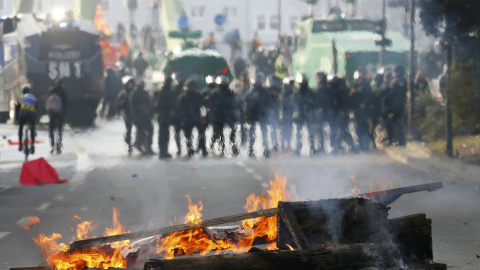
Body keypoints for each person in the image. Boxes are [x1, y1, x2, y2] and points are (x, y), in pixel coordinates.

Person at [208, 75, 239, 156]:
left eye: (224, 81)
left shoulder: (230, 92)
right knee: (218, 133)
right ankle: (220, 147)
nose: (223, 83)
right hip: (218, 116)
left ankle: (234, 148)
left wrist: (235, 111)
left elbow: (234, 103)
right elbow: (211, 104)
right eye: (222, 81)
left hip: (228, 115)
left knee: (233, 132)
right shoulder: (214, 92)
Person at [245, 74, 271, 158]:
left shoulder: (264, 91)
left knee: (264, 133)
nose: (258, 83)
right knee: (252, 133)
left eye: (259, 81)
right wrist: (247, 114)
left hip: (262, 114)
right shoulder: (250, 91)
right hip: (253, 115)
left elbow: (268, 103)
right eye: (257, 81)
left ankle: (266, 149)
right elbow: (247, 104)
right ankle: (251, 149)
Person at [176, 79, 203, 158]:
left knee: (200, 134)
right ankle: (190, 149)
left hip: (195, 117)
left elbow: (201, 106)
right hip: (187, 118)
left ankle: (200, 148)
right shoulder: (183, 96)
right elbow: (179, 108)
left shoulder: (197, 95)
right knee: (188, 136)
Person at [383, 65, 407, 146]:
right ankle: (397, 139)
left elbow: (393, 91)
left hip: (397, 104)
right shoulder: (401, 79)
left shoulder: (399, 80)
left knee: (395, 122)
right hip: (398, 104)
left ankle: (400, 140)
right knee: (395, 122)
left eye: (397, 71)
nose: (396, 73)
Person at [130, 78, 154, 155]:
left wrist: (150, 114)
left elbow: (148, 104)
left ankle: (148, 147)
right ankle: (139, 147)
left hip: (145, 116)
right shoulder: (135, 93)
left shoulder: (145, 93)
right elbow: (132, 106)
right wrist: (134, 116)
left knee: (149, 130)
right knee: (140, 132)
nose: (141, 84)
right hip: (138, 116)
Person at [293, 74, 315, 156]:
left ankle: (312, 148)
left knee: (311, 132)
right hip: (300, 115)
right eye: (302, 82)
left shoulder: (310, 92)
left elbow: (313, 103)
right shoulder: (296, 94)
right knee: (299, 133)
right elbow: (295, 105)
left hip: (308, 114)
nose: (304, 83)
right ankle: (298, 149)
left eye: (305, 81)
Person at [350, 68, 373, 152]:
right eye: (358, 79)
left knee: (365, 129)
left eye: (361, 79)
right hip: (357, 112)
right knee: (358, 129)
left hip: (364, 112)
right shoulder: (354, 88)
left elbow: (369, 98)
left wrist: (365, 104)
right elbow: (352, 100)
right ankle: (360, 145)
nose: (360, 80)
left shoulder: (366, 88)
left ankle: (366, 146)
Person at [154, 76, 176, 159]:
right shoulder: (164, 93)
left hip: (164, 116)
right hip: (163, 116)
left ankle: (164, 151)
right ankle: (163, 151)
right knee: (163, 134)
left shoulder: (164, 92)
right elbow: (159, 105)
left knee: (165, 134)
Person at [47, 79, 68, 154]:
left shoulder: (52, 90)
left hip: (52, 112)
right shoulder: (62, 91)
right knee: (59, 130)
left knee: (51, 130)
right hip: (60, 112)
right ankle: (58, 146)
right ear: (62, 84)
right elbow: (65, 102)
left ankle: (52, 145)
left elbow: (48, 101)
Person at [117, 76, 136, 155]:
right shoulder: (123, 93)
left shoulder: (135, 92)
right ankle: (129, 145)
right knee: (129, 130)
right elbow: (118, 106)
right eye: (128, 84)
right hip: (127, 114)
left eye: (131, 84)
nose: (130, 85)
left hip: (136, 113)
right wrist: (122, 101)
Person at [16, 84, 37, 154]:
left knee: (21, 128)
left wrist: (16, 118)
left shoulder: (21, 97)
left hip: (23, 115)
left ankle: (20, 144)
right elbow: (36, 108)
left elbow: (18, 108)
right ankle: (32, 145)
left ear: (23, 91)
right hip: (31, 115)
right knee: (32, 129)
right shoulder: (33, 97)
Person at [313, 71, 328, 154]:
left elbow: (322, 100)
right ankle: (320, 146)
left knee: (320, 130)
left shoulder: (323, 86)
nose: (318, 78)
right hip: (320, 110)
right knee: (319, 130)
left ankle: (321, 147)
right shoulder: (320, 85)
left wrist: (320, 108)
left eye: (319, 76)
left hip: (322, 110)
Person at [280, 77, 294, 152]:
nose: (291, 85)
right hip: (285, 115)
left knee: (289, 131)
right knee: (284, 131)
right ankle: (283, 147)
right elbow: (283, 103)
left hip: (290, 115)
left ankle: (288, 146)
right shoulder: (284, 92)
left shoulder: (292, 91)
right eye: (290, 83)